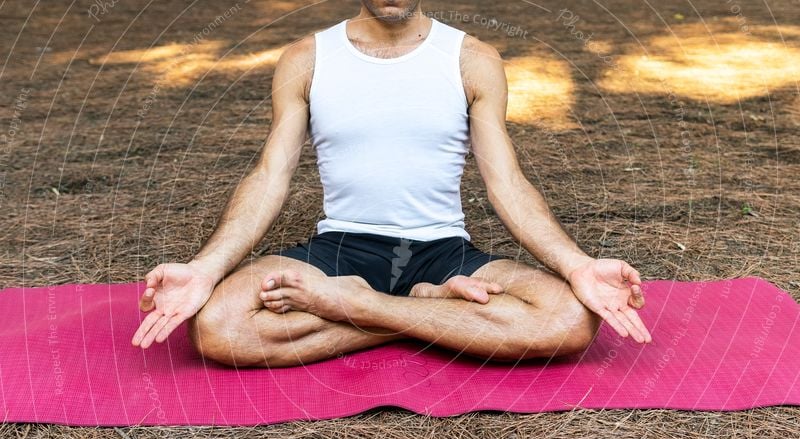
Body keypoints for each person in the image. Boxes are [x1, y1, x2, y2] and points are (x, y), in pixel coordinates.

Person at [131, 0, 652, 367]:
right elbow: (271, 175)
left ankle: (364, 305)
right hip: (340, 249)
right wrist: (204, 269)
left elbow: (507, 182)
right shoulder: (306, 58)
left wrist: (577, 265)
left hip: (442, 252)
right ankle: (429, 312)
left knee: (569, 322)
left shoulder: (473, 59)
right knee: (218, 328)